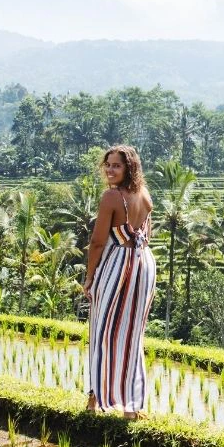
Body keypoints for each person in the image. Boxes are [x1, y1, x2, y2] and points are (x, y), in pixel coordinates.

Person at [83, 145, 156, 419]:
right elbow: (146, 236)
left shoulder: (111, 197)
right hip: (143, 265)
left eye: (116, 165)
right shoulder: (145, 195)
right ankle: (131, 407)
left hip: (117, 264)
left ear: (129, 168)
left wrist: (90, 277)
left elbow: (98, 241)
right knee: (131, 335)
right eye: (108, 165)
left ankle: (95, 398)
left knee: (102, 331)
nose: (110, 170)